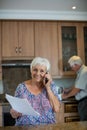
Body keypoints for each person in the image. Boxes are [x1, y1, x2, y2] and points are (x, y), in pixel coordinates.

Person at [10, 57, 60, 126]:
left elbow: (56, 109)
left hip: (47, 127)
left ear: (46, 73)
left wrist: (48, 88)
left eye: (42, 71)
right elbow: (14, 110)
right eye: (35, 70)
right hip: (24, 128)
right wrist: (14, 113)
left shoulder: (51, 86)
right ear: (31, 70)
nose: (38, 73)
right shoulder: (21, 87)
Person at [62, 55, 87, 121]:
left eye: (72, 67)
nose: (72, 69)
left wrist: (65, 96)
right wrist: (68, 90)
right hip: (83, 102)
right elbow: (77, 85)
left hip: (85, 102)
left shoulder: (84, 72)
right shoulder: (80, 72)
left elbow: (77, 89)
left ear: (76, 65)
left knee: (84, 123)